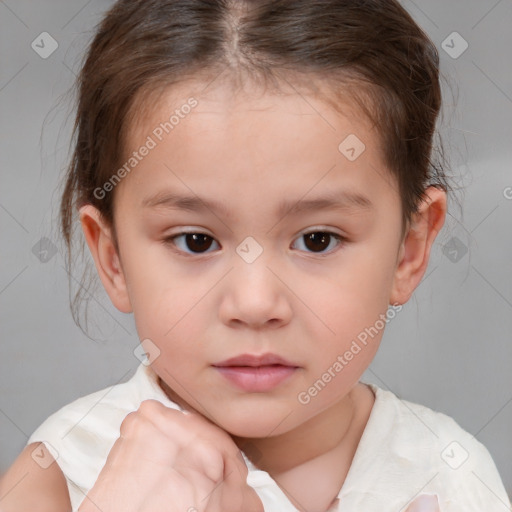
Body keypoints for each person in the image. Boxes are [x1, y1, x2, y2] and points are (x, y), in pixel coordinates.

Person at [0, 0, 510, 511]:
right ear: (112, 257)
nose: (254, 302)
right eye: (196, 241)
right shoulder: (62, 476)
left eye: (317, 240)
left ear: (409, 250)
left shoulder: (449, 477)